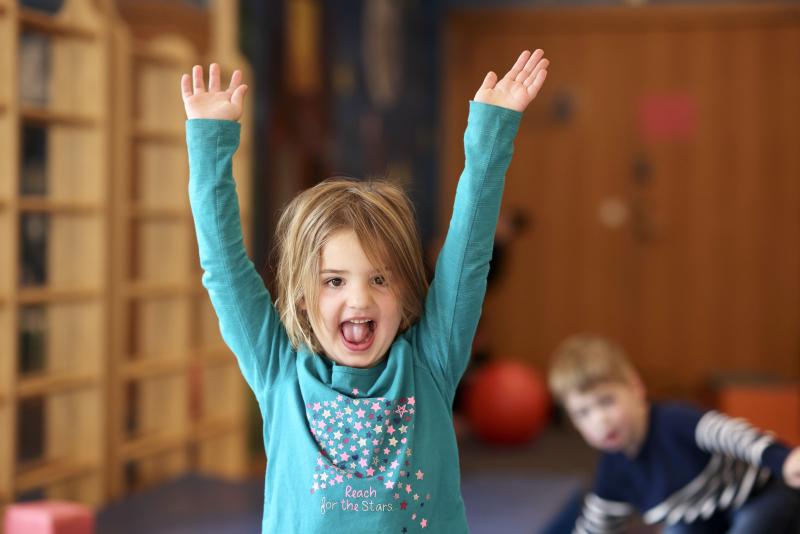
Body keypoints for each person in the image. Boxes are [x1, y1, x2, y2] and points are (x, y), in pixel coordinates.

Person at [181, 50, 549, 532]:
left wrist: (491, 133)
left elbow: (470, 256)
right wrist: (210, 144)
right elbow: (223, 267)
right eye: (334, 281)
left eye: (379, 279)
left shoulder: (431, 364)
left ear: (407, 294)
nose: (359, 300)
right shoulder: (279, 372)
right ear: (301, 298)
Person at [548, 334, 800, 534]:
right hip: (703, 522)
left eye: (607, 401)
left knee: (758, 520)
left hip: (758, 498)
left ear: (635, 388)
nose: (600, 420)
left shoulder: (673, 421)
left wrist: (783, 458)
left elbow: (732, 434)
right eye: (583, 413)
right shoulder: (613, 474)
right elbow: (595, 526)